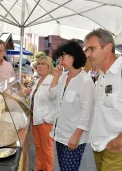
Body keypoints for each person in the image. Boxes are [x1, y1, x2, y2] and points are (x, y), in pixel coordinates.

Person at [49, 41, 95, 171]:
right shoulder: (63, 77)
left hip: (73, 136)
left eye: (63, 56)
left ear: (73, 56)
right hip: (59, 133)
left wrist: (76, 135)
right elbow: (52, 96)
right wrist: (55, 77)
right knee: (63, 168)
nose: (60, 60)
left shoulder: (85, 81)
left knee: (69, 169)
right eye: (60, 57)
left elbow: (88, 112)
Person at [85, 28, 122, 171]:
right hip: (99, 147)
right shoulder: (101, 74)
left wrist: (119, 141)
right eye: (86, 50)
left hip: (116, 149)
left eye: (91, 49)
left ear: (108, 48)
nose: (88, 54)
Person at [25, 56, 55, 171]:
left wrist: (48, 118)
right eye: (38, 63)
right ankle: (39, 167)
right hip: (35, 118)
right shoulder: (37, 80)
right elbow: (35, 99)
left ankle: (48, 169)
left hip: (45, 121)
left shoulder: (52, 80)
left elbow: (57, 102)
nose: (40, 66)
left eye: (43, 64)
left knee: (47, 148)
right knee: (38, 146)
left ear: (49, 66)